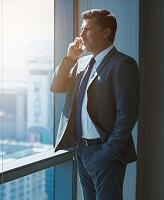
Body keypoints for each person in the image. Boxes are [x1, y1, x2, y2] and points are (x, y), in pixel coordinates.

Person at [50, 9, 139, 200]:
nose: (81, 36)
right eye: (81, 30)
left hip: (105, 152)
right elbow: (56, 86)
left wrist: (108, 152)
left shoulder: (123, 64)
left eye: (87, 30)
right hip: (82, 150)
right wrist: (69, 59)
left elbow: (127, 114)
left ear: (106, 32)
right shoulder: (81, 63)